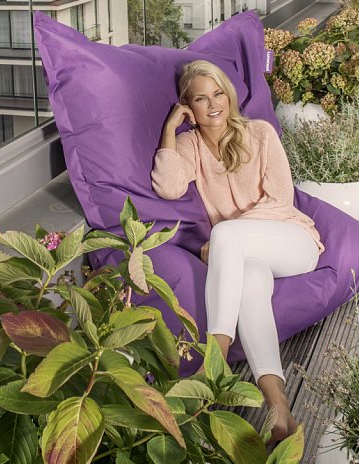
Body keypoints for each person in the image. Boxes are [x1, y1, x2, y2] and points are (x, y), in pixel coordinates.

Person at [150, 60, 324, 443]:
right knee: (250, 283)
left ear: (228, 95)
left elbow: (280, 200)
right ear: (188, 106)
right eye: (201, 98)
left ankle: (214, 361)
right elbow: (169, 186)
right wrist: (169, 129)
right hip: (246, 257)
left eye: (218, 94)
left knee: (226, 233)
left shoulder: (260, 133)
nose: (213, 104)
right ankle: (279, 407)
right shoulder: (190, 145)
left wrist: (227, 238)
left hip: (292, 240)